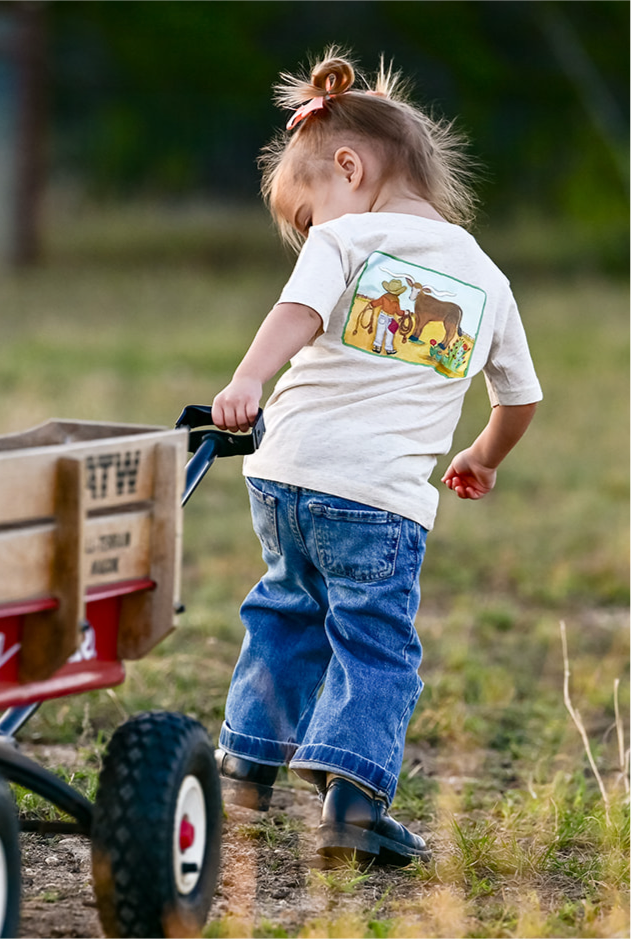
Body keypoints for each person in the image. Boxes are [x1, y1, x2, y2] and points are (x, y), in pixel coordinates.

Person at [210, 48, 542, 866]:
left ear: (348, 168)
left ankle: (244, 776)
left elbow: (296, 311)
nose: (311, 233)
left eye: (308, 214)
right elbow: (520, 398)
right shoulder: (487, 278)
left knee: (284, 612)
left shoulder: (348, 237)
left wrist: (249, 378)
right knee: (374, 645)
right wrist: (481, 455)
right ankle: (352, 808)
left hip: (286, 472)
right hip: (381, 500)